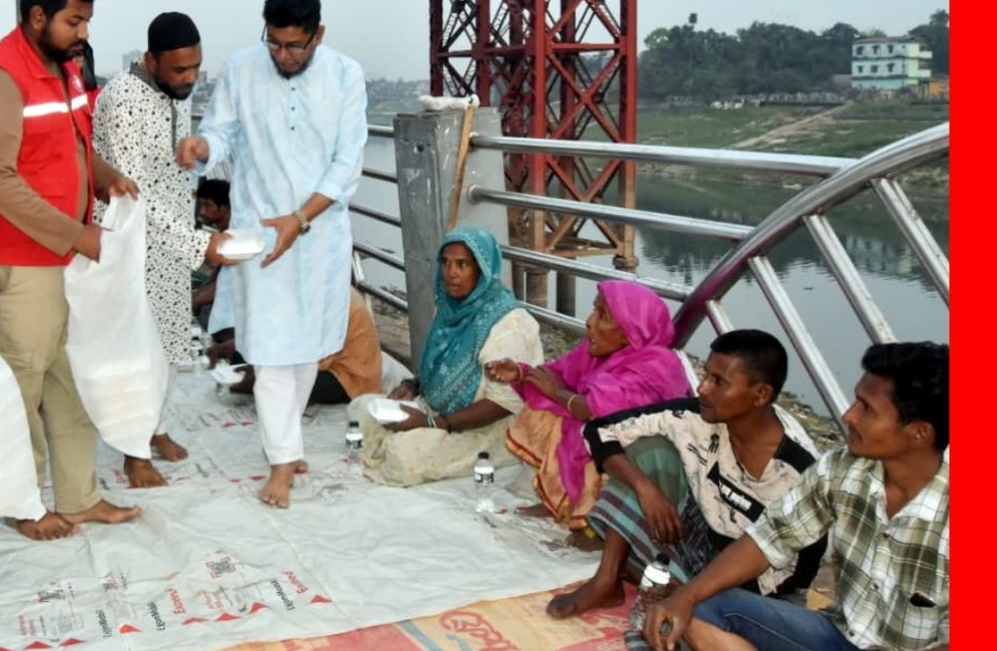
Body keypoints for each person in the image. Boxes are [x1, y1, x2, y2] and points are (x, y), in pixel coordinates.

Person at [0, 0, 142, 540]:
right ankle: (21, 502)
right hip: (16, 264)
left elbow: (70, 144)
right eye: (74, 21)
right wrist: (76, 233)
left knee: (71, 378)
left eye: (86, 22)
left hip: (62, 262)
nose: (83, 33)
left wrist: (105, 174)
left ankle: (80, 496)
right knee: (19, 388)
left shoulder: (62, 71)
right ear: (37, 16)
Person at [176, 0, 368, 508]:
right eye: (275, 43)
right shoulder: (241, 67)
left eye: (295, 46)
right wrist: (201, 145)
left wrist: (301, 219)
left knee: (306, 346)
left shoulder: (346, 75)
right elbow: (223, 135)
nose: (283, 55)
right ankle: (282, 460)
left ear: (317, 35)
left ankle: (287, 442)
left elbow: (348, 163)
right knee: (268, 349)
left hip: (318, 233)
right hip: (261, 235)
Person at [643, 342, 949, 651]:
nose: (848, 416)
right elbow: (769, 539)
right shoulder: (842, 468)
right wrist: (685, 597)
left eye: (866, 409)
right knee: (698, 604)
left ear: (919, 433)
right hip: (840, 636)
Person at [549, 330, 826, 639]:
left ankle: (665, 583)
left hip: (756, 582)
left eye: (719, 382)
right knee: (649, 449)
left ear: (761, 394)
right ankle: (607, 579)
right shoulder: (695, 415)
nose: (703, 388)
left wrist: (694, 592)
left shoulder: (799, 472)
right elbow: (600, 430)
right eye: (706, 375)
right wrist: (646, 488)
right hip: (699, 536)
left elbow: (795, 575)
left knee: (691, 625)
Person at [91, 11, 241, 488]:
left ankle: (153, 429)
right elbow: (133, 195)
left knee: (166, 344)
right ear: (150, 59)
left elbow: (174, 171)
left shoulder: (178, 93)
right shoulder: (121, 100)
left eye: (195, 68)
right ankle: (133, 453)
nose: (189, 78)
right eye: (179, 70)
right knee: (134, 350)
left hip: (172, 241)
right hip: (131, 240)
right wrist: (200, 244)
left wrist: (193, 153)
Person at [485, 280, 693, 535]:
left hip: (643, 461)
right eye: (594, 311)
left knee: (583, 430)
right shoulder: (596, 352)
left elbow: (602, 411)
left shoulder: (654, 366)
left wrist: (558, 393)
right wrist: (521, 372)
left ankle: (599, 522)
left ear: (631, 331)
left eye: (602, 315)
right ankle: (562, 503)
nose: (590, 321)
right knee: (546, 412)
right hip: (607, 442)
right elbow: (557, 375)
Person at [346, 227, 542, 486]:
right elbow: (441, 366)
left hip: (490, 429)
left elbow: (503, 403)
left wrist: (433, 423)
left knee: (403, 454)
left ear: (483, 269)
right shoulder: (450, 308)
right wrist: (413, 385)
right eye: (446, 263)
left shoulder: (511, 323)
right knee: (360, 410)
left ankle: (415, 441)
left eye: (463, 264)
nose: (452, 273)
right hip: (436, 408)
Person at [207, 283, 386, 406]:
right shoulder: (309, 290)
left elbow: (313, 360)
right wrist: (236, 345)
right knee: (242, 356)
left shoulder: (333, 303)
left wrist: (262, 372)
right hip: (316, 361)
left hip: (347, 379)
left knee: (273, 380)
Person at [191, 178, 232, 319]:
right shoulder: (222, 234)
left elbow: (229, 283)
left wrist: (194, 301)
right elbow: (218, 274)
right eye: (201, 205)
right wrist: (196, 295)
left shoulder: (234, 235)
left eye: (208, 205)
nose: (201, 211)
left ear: (225, 208)